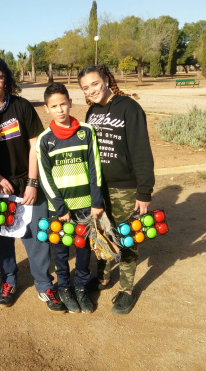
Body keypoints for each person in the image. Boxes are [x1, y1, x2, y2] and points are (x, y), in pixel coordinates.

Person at [0, 56, 66, 313]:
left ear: (6, 79)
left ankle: (45, 285)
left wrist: (33, 183)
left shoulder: (21, 106)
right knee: (2, 239)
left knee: (37, 237)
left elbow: (36, 145)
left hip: (29, 182)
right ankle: (8, 281)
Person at [78, 64, 155, 314]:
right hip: (99, 187)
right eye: (85, 88)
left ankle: (127, 289)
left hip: (125, 187)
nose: (91, 90)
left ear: (106, 81)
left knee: (126, 236)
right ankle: (103, 278)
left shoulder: (129, 108)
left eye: (95, 84)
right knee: (102, 233)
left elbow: (141, 151)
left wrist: (144, 191)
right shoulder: (91, 112)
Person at [37, 82, 103, 313]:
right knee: (62, 251)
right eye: (54, 106)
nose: (60, 109)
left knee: (83, 248)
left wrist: (97, 202)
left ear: (70, 103)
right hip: (61, 210)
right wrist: (59, 207)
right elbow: (45, 178)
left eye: (63, 104)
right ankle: (64, 287)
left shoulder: (86, 131)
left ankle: (82, 287)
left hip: (86, 207)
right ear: (47, 109)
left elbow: (95, 168)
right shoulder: (45, 140)